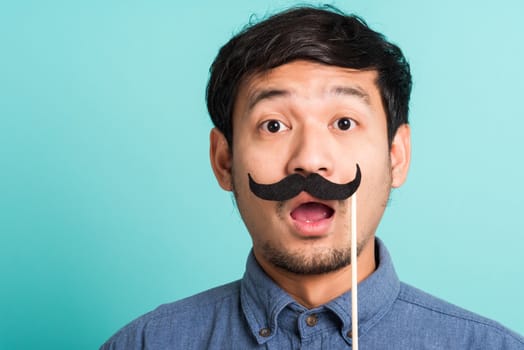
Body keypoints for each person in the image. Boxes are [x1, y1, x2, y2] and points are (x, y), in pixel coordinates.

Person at [101, 5, 524, 349]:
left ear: (396, 156)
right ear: (224, 161)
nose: (309, 161)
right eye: (273, 125)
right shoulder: (142, 344)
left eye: (343, 123)